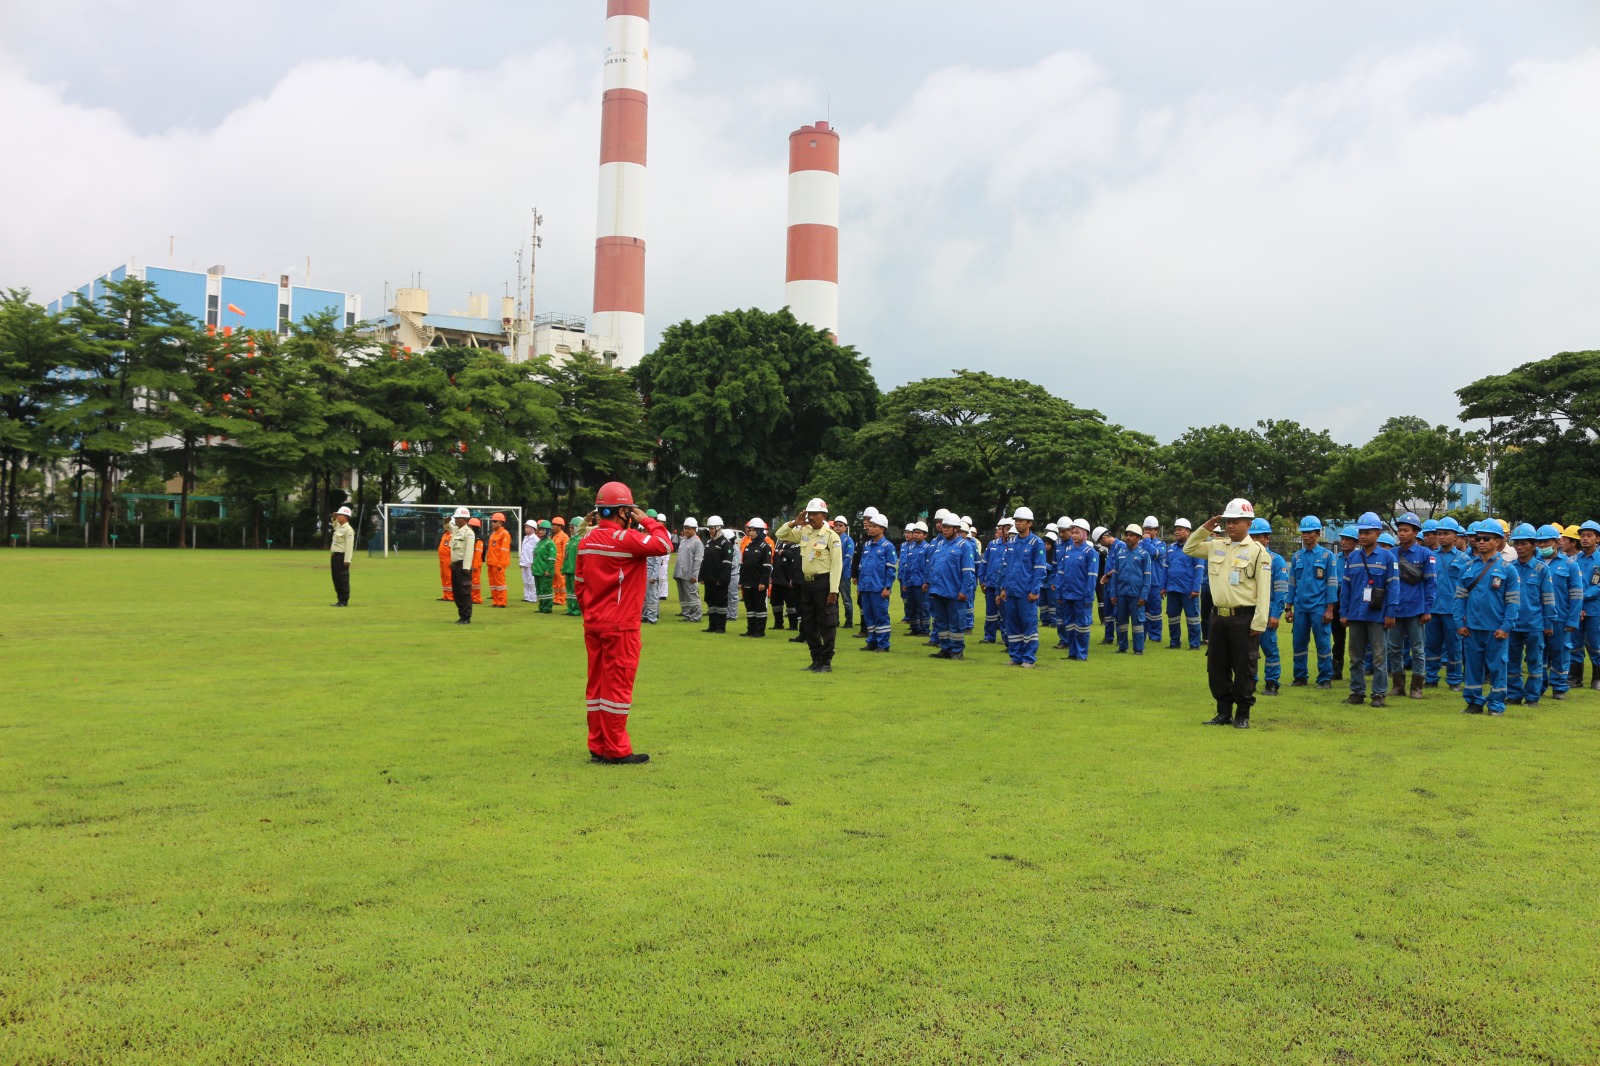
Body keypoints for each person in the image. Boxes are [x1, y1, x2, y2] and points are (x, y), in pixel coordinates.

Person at [576, 482, 673, 764]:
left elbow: (579, 585)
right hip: (621, 626)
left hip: (594, 624)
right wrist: (646, 520)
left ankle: (597, 745)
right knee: (617, 687)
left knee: (596, 687)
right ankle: (616, 750)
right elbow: (665, 544)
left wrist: (591, 614)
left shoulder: (585, 542)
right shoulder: (625, 539)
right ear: (623, 511)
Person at [1183, 499, 1272, 728]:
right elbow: (1189, 548)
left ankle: (1242, 713)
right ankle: (1223, 712)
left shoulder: (1258, 552)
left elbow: (1263, 592)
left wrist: (1259, 623)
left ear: (1248, 523)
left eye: (1236, 521)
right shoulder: (1216, 545)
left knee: (1244, 667)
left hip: (1244, 617)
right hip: (1218, 616)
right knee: (1217, 666)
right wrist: (1206, 528)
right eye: (1228, 521)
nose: (1230, 526)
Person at [1454, 520, 1520, 715]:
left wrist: (1507, 626)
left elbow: (1513, 602)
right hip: (1472, 628)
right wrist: (1459, 622)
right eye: (1477, 538)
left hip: (1496, 629)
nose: (1480, 542)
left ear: (1498, 541)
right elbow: (1459, 598)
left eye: (1486, 538)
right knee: (1473, 668)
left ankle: (1496, 705)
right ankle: (1474, 702)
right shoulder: (1467, 568)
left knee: (1498, 668)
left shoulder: (1508, 569)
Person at [775, 498, 845, 673]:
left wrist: (834, 590)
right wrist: (793, 523)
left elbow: (837, 565)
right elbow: (780, 535)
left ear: (823, 516)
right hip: (806, 583)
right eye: (809, 513)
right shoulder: (804, 532)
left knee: (826, 623)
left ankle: (826, 661)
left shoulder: (831, 536)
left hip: (823, 583)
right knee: (808, 622)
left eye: (815, 514)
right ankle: (815, 659)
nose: (812, 517)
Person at [1340, 512, 1398, 707]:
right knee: (1355, 657)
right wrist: (1344, 613)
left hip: (1378, 616)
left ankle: (1379, 695)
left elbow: (1394, 588)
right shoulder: (1353, 558)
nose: (1363, 536)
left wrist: (1390, 613)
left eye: (1367, 532)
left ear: (1378, 533)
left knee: (1379, 657)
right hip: (1356, 614)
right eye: (1361, 532)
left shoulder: (1388, 558)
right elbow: (1346, 588)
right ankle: (1356, 692)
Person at [1387, 512, 1437, 699]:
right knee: (1394, 648)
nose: (1401, 534)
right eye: (1399, 530)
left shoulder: (1426, 554)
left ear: (1416, 533)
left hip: (1417, 609)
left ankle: (1417, 687)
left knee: (1417, 648)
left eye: (1406, 530)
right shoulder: (1391, 554)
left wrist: (1427, 609)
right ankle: (1398, 685)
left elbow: (1430, 584)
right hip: (1396, 608)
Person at [1286, 515, 1338, 689]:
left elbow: (1332, 583)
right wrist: (1288, 607)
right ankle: (1300, 677)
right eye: (1303, 532)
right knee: (1299, 643)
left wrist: (1330, 609)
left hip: (1319, 608)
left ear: (1317, 534)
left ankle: (1324, 679)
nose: (1305, 536)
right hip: (1300, 608)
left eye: (1309, 532)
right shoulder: (1297, 557)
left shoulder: (1327, 556)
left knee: (1323, 644)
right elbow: (1292, 582)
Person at [997, 507, 1048, 666]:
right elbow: (1006, 566)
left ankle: (1029, 658)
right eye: (1016, 521)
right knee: (1012, 625)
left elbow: (1040, 569)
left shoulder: (1036, 543)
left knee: (1028, 625)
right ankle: (1016, 657)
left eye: (1021, 521)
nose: (1017, 524)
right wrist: (1004, 588)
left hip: (1026, 592)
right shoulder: (1012, 541)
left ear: (1029, 523)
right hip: (1011, 590)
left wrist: (1035, 590)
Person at [1536, 523, 1580, 700]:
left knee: (1560, 653)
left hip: (1560, 618)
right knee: (1538, 653)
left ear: (1556, 542)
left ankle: (1559, 687)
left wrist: (1572, 620)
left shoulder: (1570, 565)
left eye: (1546, 542)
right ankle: (1539, 685)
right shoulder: (1533, 563)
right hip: (1537, 618)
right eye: (1539, 543)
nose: (1542, 546)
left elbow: (1576, 595)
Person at [1423, 517, 1467, 691]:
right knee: (1431, 645)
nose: (1441, 537)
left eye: (1446, 534)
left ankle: (1455, 679)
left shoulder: (1464, 559)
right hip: (1433, 608)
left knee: (1454, 646)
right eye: (1439, 534)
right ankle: (1431, 677)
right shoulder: (1430, 557)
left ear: (1455, 536)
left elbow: (1467, 585)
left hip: (1453, 610)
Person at [926, 512, 977, 660]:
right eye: (944, 527)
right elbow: (933, 566)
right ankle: (945, 648)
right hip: (938, 591)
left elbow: (968, 571)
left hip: (955, 592)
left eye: (948, 527)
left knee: (956, 623)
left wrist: (964, 590)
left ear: (956, 529)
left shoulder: (964, 546)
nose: (945, 529)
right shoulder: (939, 545)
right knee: (941, 622)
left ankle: (957, 650)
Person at [1248, 518, 1287, 694]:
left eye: (1258, 537)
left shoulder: (1276, 561)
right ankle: (1250, 681)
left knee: (1269, 649)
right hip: (1247, 611)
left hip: (1267, 611)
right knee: (1249, 650)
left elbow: (1280, 590)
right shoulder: (1244, 558)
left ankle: (1272, 683)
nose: (1255, 540)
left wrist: (1275, 614)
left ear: (1267, 538)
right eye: (1252, 536)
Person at [1054, 519, 1100, 660]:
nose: (1074, 535)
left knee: (1082, 626)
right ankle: (1072, 653)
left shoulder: (1090, 552)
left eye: (1076, 533)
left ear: (1085, 533)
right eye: (1072, 532)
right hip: (1067, 595)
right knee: (1069, 625)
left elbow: (1092, 577)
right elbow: (1061, 572)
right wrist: (1059, 591)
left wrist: (1088, 596)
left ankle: (1081, 654)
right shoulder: (1068, 550)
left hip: (1081, 596)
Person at [856, 513, 898, 651]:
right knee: (868, 616)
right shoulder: (867, 545)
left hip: (879, 588)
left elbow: (891, 569)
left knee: (880, 616)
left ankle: (883, 644)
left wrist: (887, 587)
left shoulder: (888, 547)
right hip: (866, 587)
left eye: (874, 526)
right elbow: (862, 566)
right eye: (870, 526)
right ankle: (872, 641)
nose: (870, 528)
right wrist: (860, 586)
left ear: (882, 529)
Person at [1108, 524, 1150, 655]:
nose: (1128, 537)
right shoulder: (1120, 553)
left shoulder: (1144, 554)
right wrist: (1113, 593)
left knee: (1137, 623)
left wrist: (1143, 596)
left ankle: (1138, 649)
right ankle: (1122, 647)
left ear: (1138, 538)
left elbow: (1147, 577)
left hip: (1136, 594)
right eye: (1127, 535)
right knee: (1121, 621)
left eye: (1132, 535)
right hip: (1121, 593)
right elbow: (1115, 574)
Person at [1574, 520, 1600, 690]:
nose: (1584, 539)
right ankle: (1575, 678)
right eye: (1582, 535)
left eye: (1589, 535)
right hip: (1577, 608)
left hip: (1594, 609)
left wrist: (1580, 598)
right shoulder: (1575, 559)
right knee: (1574, 643)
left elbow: (1598, 586)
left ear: (1597, 538)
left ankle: (1597, 679)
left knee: (1595, 643)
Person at [739, 518, 775, 637]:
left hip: (758, 583)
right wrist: (741, 581)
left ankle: (759, 631)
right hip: (747, 582)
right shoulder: (748, 546)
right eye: (750, 530)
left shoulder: (765, 547)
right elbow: (744, 566)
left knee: (759, 607)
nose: (751, 532)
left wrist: (763, 582)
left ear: (760, 532)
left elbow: (767, 567)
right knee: (749, 607)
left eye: (754, 530)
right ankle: (751, 629)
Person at [1331, 524, 1358, 681]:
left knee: (1358, 637)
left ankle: (1361, 667)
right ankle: (1337, 669)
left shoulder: (1359, 558)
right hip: (1337, 599)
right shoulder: (1335, 559)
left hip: (1354, 600)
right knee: (1338, 637)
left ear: (1355, 542)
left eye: (1348, 539)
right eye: (1342, 539)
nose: (1343, 542)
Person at [700, 516, 735, 633]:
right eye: (709, 528)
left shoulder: (726, 544)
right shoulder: (709, 542)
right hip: (709, 579)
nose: (710, 530)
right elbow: (705, 561)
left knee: (720, 603)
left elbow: (727, 564)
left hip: (719, 580)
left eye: (712, 528)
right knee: (710, 602)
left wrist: (722, 579)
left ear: (718, 528)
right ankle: (712, 625)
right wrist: (702, 576)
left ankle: (721, 627)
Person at [901, 522, 930, 637]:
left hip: (920, 583)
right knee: (911, 606)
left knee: (923, 607)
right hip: (910, 582)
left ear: (925, 535)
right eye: (915, 533)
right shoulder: (911, 548)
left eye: (919, 533)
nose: (916, 535)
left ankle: (925, 630)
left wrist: (926, 581)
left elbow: (929, 567)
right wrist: (904, 581)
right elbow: (906, 566)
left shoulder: (928, 548)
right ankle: (915, 628)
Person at [447, 506, 476, 624]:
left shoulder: (468, 533)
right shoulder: (458, 531)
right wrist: (447, 521)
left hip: (462, 566)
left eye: (458, 518)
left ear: (464, 519)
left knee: (464, 592)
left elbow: (469, 551)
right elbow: (449, 527)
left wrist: (466, 567)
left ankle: (466, 617)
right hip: (455, 565)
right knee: (456, 591)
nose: (456, 520)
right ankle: (461, 615)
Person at [1141, 517, 1167, 645]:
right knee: (1142, 610)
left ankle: (1155, 636)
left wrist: (1146, 540)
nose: (1147, 532)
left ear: (1156, 530)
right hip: (1141, 583)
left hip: (1155, 583)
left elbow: (1153, 553)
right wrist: (1145, 541)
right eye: (1146, 529)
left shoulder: (1161, 545)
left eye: (1150, 529)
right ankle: (1141, 635)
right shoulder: (1140, 544)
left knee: (1155, 611)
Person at [675, 517, 704, 622]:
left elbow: (698, 560)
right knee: (683, 597)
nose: (686, 530)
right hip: (680, 574)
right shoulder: (683, 541)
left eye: (688, 528)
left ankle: (696, 616)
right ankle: (687, 615)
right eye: (685, 528)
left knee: (692, 596)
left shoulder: (697, 542)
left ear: (694, 529)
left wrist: (695, 575)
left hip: (690, 575)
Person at [833, 516, 856, 631]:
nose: (837, 527)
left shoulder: (848, 540)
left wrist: (838, 569)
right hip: (833, 574)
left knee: (846, 598)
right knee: (833, 598)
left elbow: (848, 558)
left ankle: (849, 621)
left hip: (843, 574)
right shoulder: (832, 539)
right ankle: (834, 620)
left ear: (845, 527)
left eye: (840, 525)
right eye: (836, 525)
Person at [329, 505, 354, 606]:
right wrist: (334, 518)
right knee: (335, 578)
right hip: (335, 557)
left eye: (340, 515)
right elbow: (335, 525)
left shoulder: (348, 530)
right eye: (338, 515)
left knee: (342, 579)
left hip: (342, 557)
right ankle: (339, 600)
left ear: (346, 517)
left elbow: (349, 546)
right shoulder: (340, 527)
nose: (338, 516)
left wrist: (347, 560)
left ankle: (344, 600)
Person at [486, 512, 512, 608]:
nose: (492, 523)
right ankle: (495, 601)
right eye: (492, 521)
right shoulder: (493, 534)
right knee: (493, 584)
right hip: (491, 563)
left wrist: (501, 564)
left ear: (500, 523)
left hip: (498, 564)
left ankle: (501, 602)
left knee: (500, 583)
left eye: (494, 521)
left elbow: (504, 550)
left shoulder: (504, 534)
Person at [532, 520, 557, 612]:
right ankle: (541, 606)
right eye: (540, 530)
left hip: (545, 571)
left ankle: (547, 607)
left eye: (543, 530)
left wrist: (548, 570)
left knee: (546, 590)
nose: (541, 531)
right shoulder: (539, 542)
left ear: (548, 531)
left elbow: (552, 558)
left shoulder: (550, 543)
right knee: (539, 590)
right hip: (538, 570)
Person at [563, 517, 583, 615]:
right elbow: (566, 556)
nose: (570, 530)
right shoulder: (570, 540)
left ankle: (576, 609)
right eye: (570, 528)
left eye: (572, 527)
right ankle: (570, 608)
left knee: (575, 591)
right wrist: (564, 567)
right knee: (569, 591)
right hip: (568, 569)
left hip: (575, 570)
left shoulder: (581, 540)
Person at [550, 516, 570, 608]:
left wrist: (564, 564)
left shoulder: (564, 536)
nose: (552, 526)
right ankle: (556, 597)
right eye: (552, 524)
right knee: (554, 581)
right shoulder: (554, 536)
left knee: (561, 581)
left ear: (560, 526)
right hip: (554, 562)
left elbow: (565, 551)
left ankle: (562, 599)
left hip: (560, 562)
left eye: (555, 525)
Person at [519, 519, 539, 603]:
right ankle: (527, 596)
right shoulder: (525, 538)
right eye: (525, 527)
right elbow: (524, 550)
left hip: (531, 563)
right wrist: (521, 561)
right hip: (524, 562)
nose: (525, 529)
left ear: (532, 528)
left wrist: (534, 562)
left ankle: (533, 597)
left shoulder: (535, 539)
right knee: (525, 581)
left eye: (527, 527)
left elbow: (535, 552)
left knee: (531, 581)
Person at [467, 517, 486, 604]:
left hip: (476, 563)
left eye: (469, 526)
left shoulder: (478, 539)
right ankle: (473, 597)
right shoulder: (474, 537)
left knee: (475, 581)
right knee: (472, 581)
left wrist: (474, 565)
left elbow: (478, 553)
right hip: (472, 563)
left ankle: (476, 598)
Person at [437, 522, 455, 602]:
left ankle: (451, 596)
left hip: (448, 561)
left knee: (449, 578)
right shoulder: (445, 535)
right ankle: (445, 595)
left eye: (446, 525)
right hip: (442, 561)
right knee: (443, 578)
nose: (444, 526)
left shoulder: (452, 536)